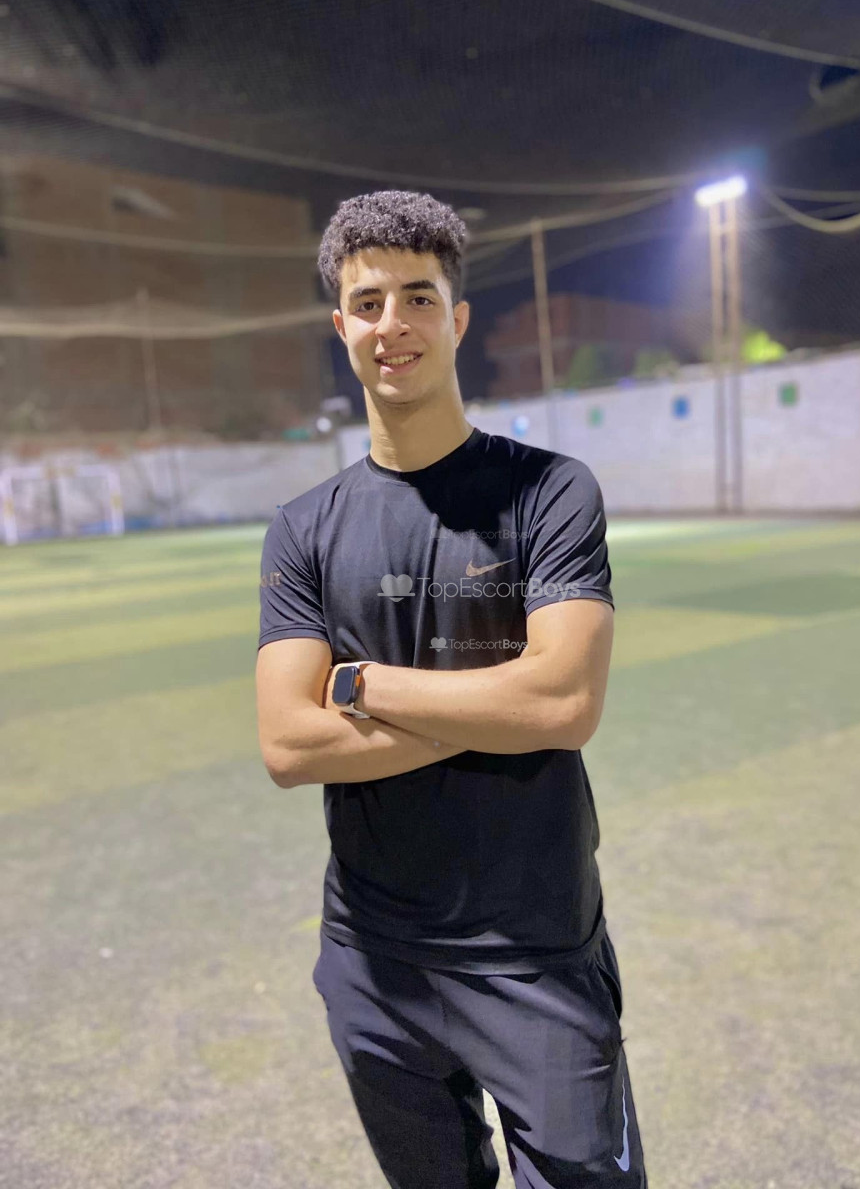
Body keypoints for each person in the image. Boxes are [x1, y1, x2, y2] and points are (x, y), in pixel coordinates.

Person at [256, 190, 648, 1188]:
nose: (394, 324)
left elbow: (563, 707)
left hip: (535, 948)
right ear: (342, 324)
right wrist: (499, 707)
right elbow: (290, 746)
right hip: (373, 957)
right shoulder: (303, 528)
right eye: (369, 303)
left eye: (418, 298)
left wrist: (362, 685)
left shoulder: (550, 491)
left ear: (458, 318)